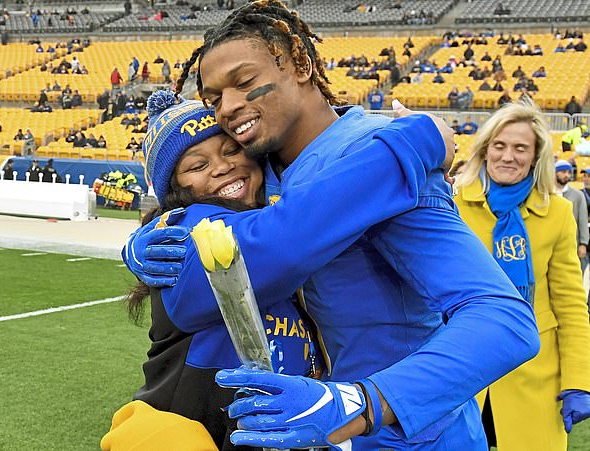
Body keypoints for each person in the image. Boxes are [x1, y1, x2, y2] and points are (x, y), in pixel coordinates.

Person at [120, 1, 539, 450]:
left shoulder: (375, 150)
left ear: (300, 62)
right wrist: (157, 225)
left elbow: (504, 319)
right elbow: (245, 250)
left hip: (410, 436)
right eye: (214, 97)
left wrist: (366, 402)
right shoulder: (260, 163)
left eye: (244, 83)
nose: (229, 107)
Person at [455, 100, 590, 451]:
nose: (508, 156)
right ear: (484, 149)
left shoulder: (558, 213)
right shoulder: (451, 205)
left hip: (533, 379)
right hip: (460, 373)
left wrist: (579, 380)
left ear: (535, 156)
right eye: (499, 146)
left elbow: (572, 308)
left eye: (520, 148)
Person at [554, 160, 589, 272]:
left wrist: (583, 244)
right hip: (552, 243)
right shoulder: (547, 193)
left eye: (569, 172)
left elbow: (583, 221)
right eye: (563, 172)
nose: (567, 175)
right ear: (555, 173)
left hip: (573, 244)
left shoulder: (578, 195)